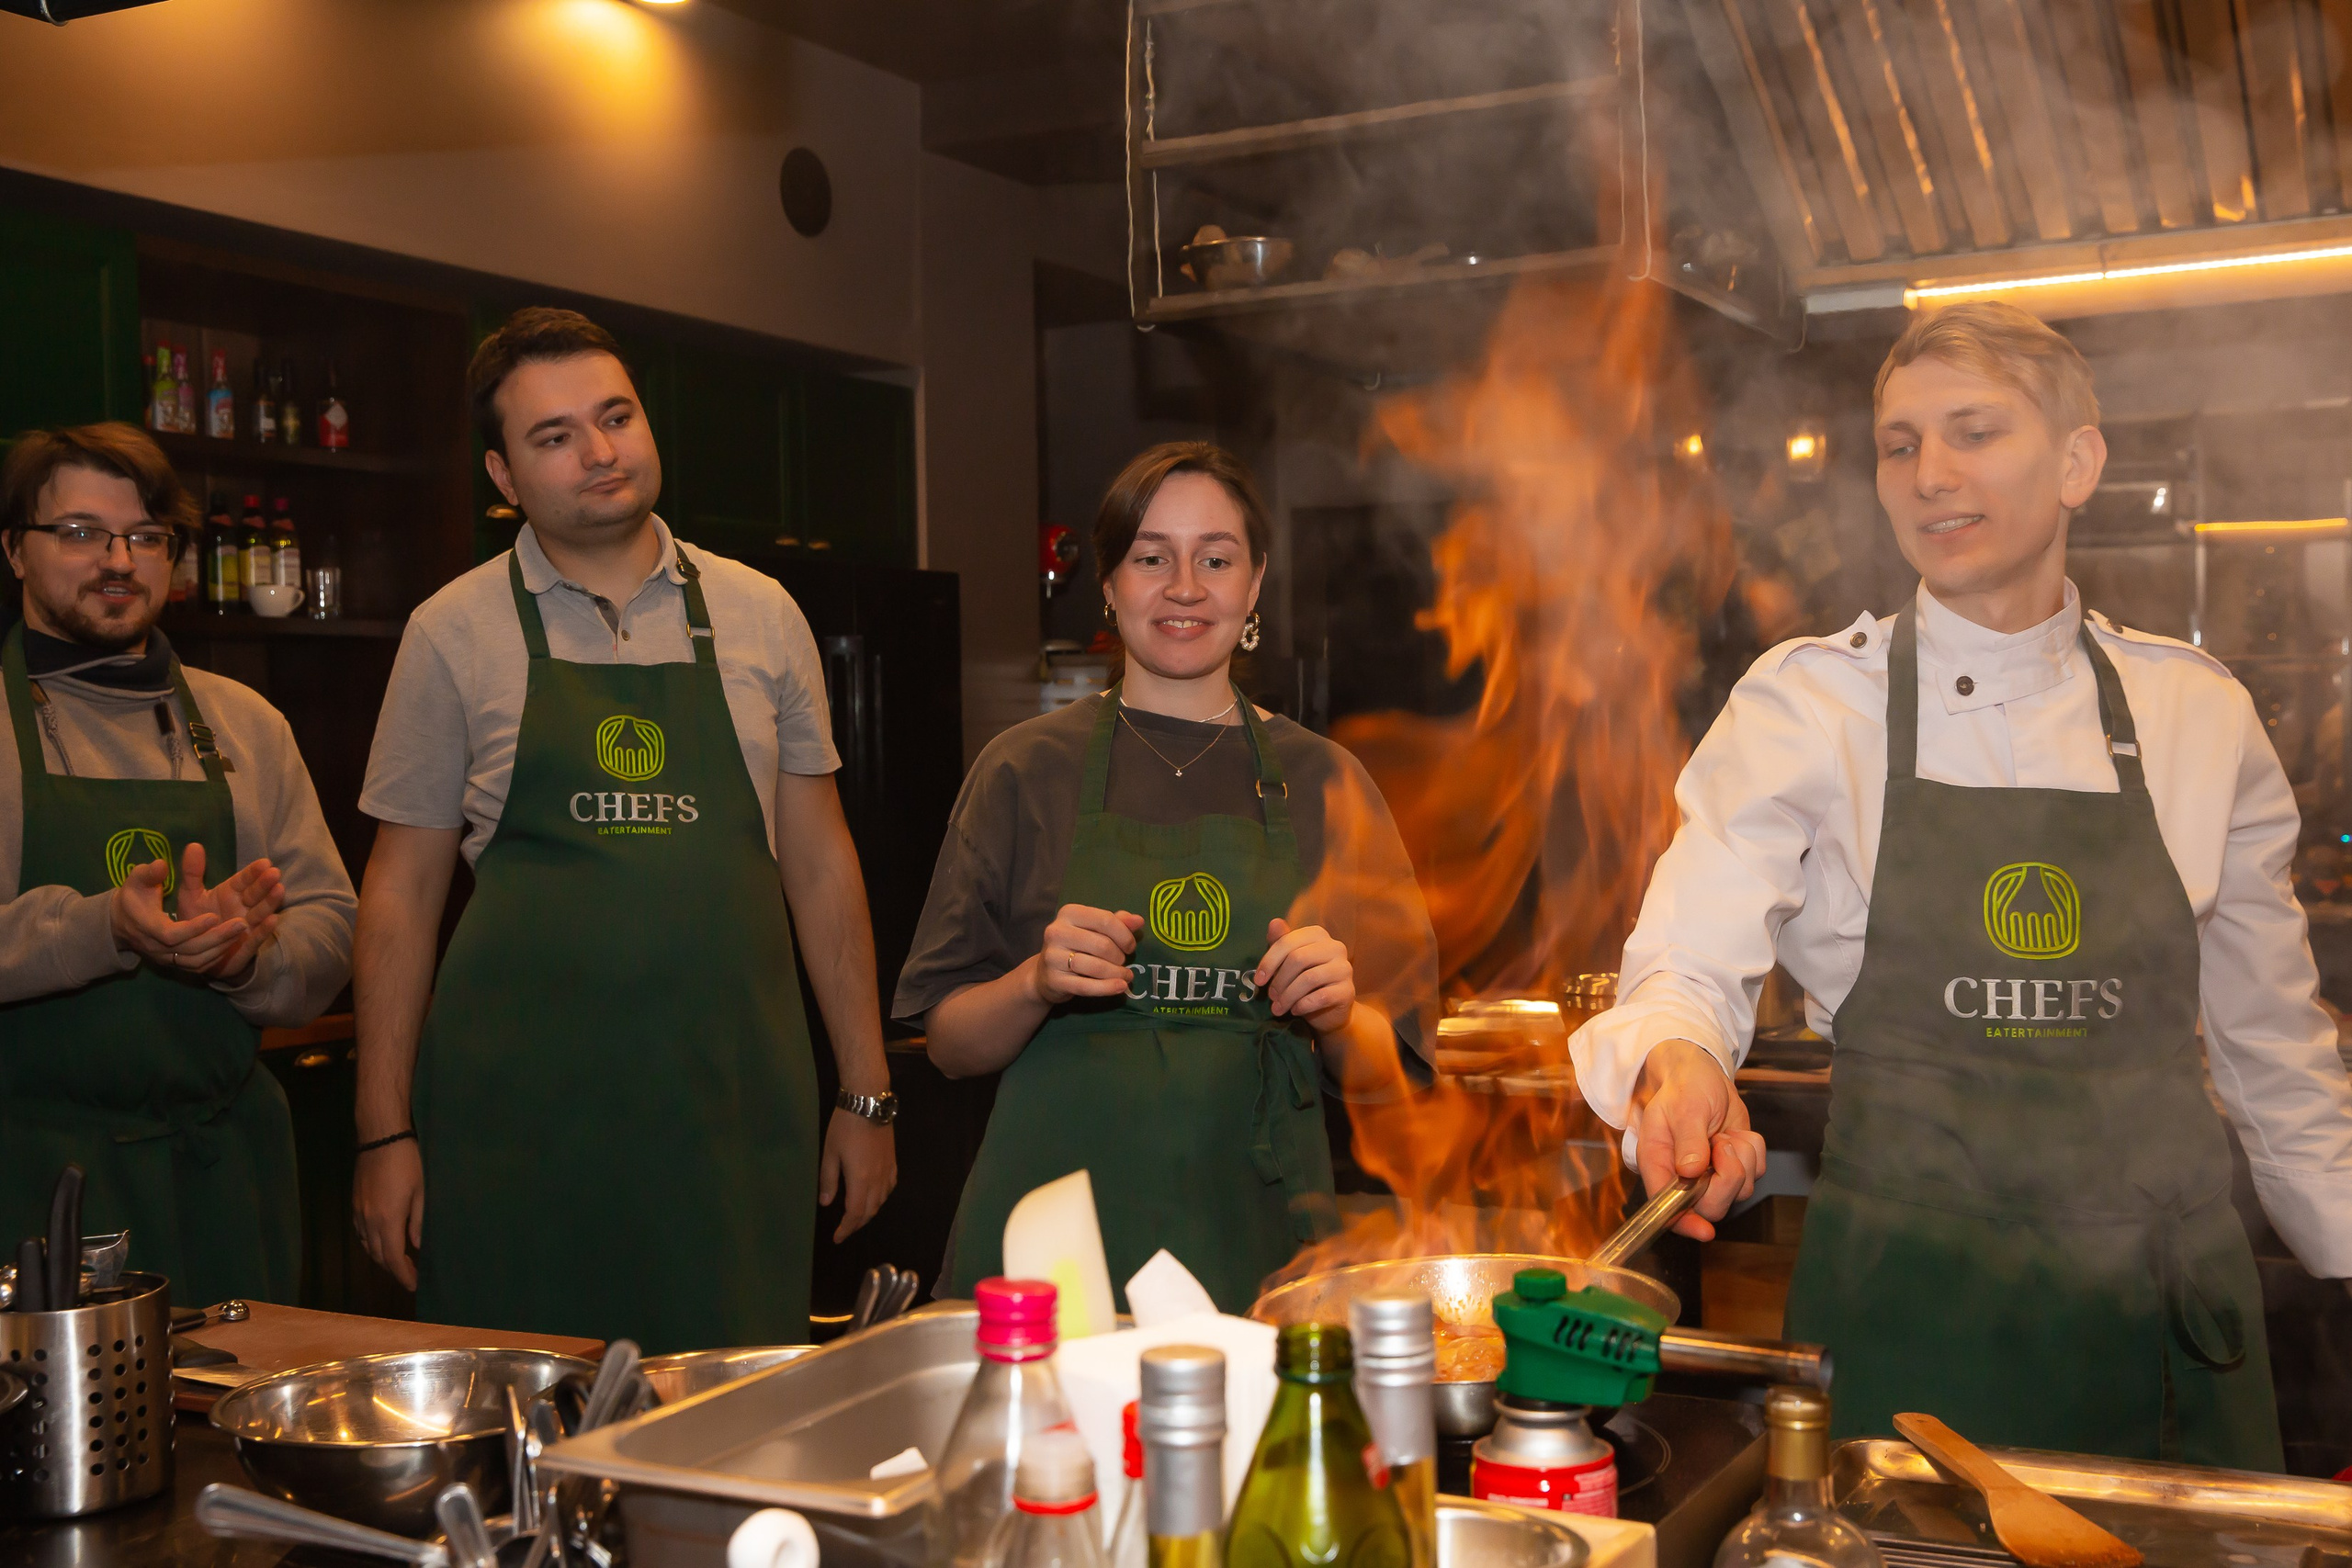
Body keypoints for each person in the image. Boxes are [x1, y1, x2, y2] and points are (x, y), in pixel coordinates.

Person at [1570, 301, 2352, 1467]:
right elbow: (1690, 948)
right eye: (1899, 444)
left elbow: (2274, 1057)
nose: (1929, 474)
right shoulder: (1810, 705)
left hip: (2162, 1324)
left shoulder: (2196, 715)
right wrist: (1677, 1058)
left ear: (2078, 460)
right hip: (1910, 1317)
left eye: (1974, 432)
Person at [351, 308, 894, 1350]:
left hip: (731, 1118)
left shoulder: (761, 614)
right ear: (503, 477)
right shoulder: (449, 632)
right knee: (521, 1439)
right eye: (555, 437)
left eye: (617, 417)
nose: (600, 453)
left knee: (734, 1428)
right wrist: (384, 1129)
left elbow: (822, 863)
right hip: (514, 1132)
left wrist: (866, 1093)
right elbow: (401, 892)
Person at [899, 442, 1440, 1313]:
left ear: (1254, 583)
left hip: (1256, 1240)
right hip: (1055, 1255)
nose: (1184, 586)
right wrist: (1035, 982)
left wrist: (1340, 1015)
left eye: (1215, 559)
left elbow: (1392, 1076)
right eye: (1152, 557)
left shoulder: (1329, 783)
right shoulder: (1022, 771)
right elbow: (950, 1046)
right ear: (1110, 584)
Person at [0, 423, 356, 1304]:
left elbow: (332, 922)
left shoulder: (245, 722)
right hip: (35, 1180)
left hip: (226, 1175)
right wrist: (103, 927)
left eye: (146, 536)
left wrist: (248, 958)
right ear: (14, 549)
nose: (117, 559)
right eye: (80, 532)